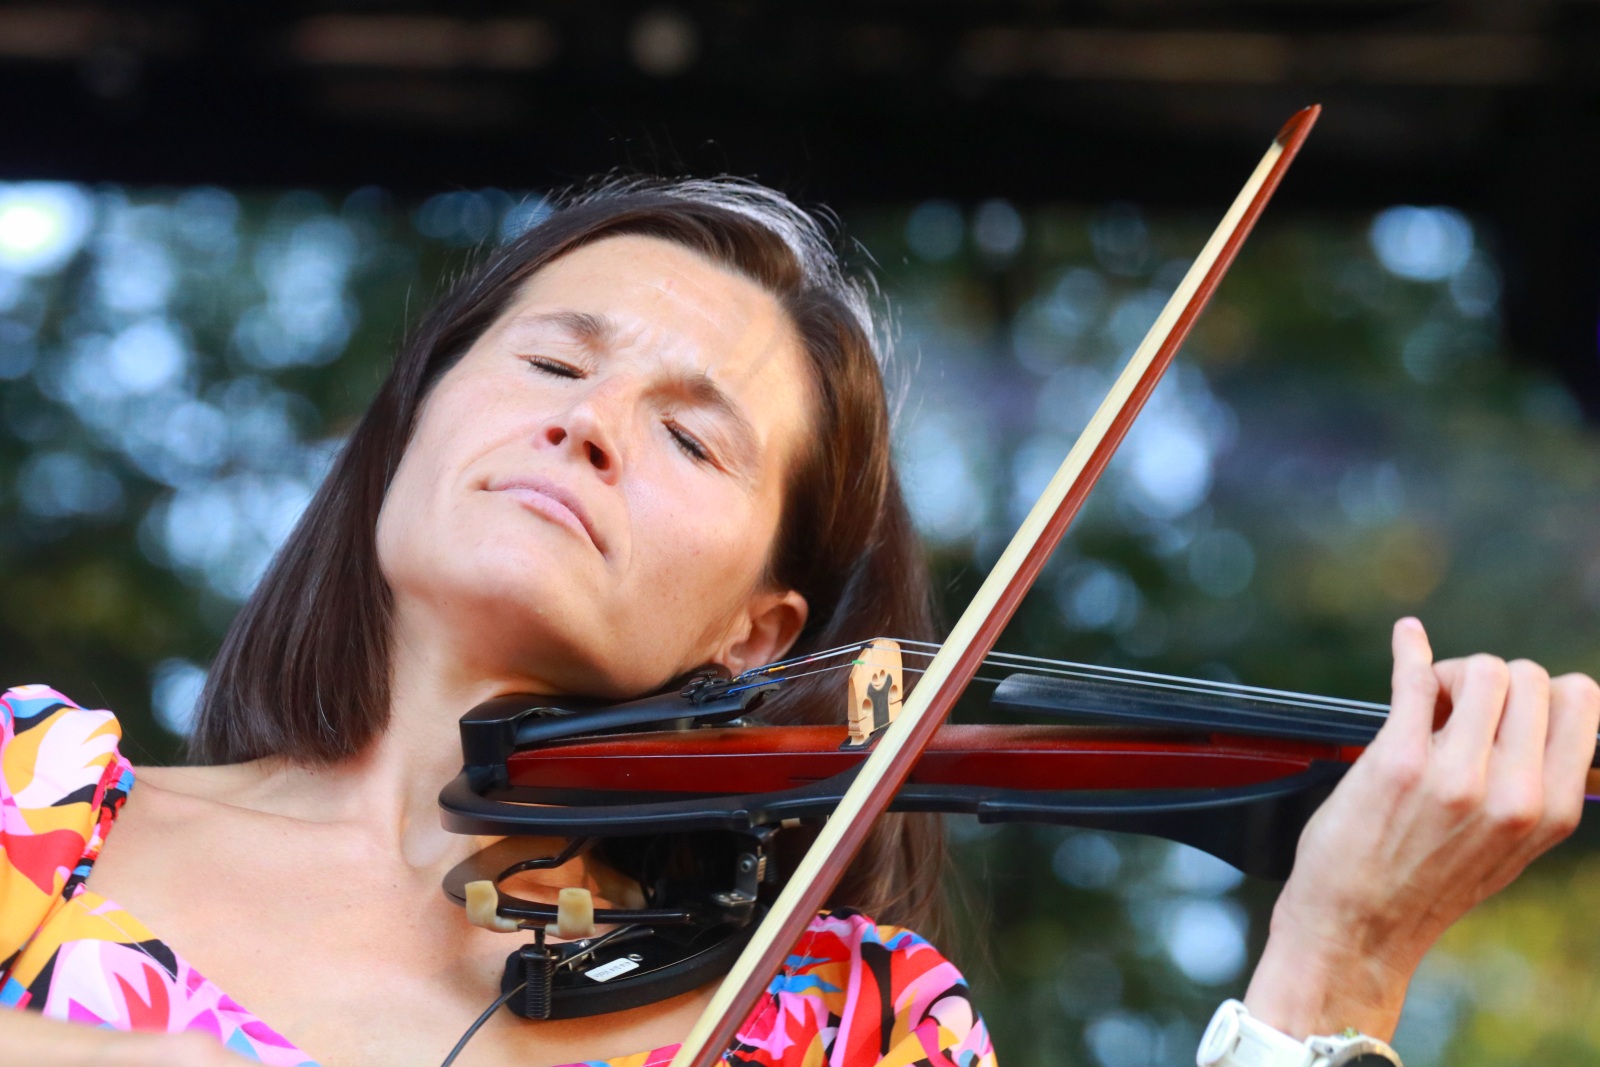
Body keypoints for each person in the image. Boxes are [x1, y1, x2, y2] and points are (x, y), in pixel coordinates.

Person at [1, 179, 1596, 1067]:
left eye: (694, 437)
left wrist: (1339, 964)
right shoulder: (32, 802)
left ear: (762, 641)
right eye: (554, 365)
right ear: (413, 430)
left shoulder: (843, 1021)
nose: (592, 423)